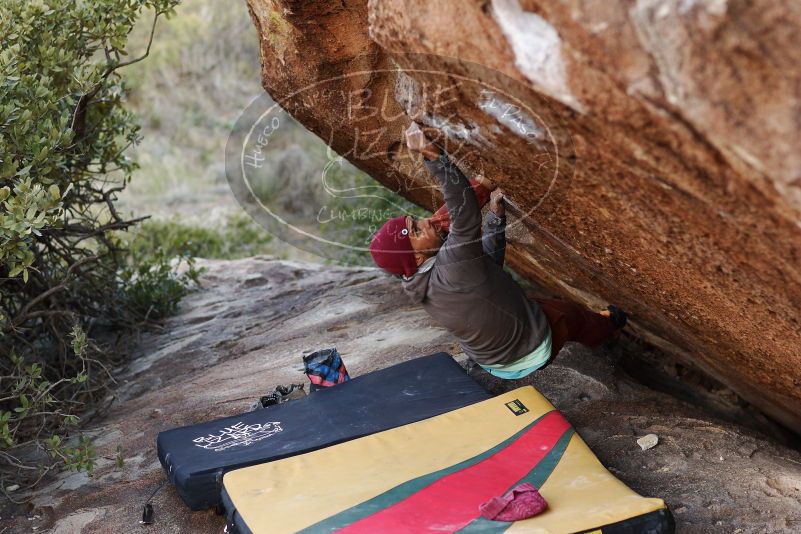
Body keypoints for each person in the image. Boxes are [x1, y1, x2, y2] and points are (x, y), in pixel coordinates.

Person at [369, 124, 628, 379]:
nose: (424, 222)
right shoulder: (451, 266)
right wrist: (432, 155)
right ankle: (610, 326)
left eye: (414, 221)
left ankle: (482, 186)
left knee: (518, 301)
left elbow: (486, 271)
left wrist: (494, 218)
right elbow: (464, 211)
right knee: (570, 315)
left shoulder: (415, 280)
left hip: (492, 360)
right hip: (530, 350)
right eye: (416, 231)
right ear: (416, 257)